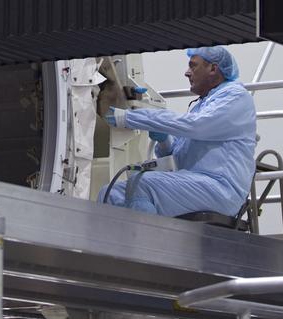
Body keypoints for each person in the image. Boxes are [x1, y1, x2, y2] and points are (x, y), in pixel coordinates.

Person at [99, 46, 256, 218]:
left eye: (193, 66)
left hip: (221, 189)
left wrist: (129, 117)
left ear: (213, 68)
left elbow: (197, 126)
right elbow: (177, 158)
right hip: (194, 182)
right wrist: (164, 140)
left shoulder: (235, 96)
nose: (187, 73)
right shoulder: (201, 106)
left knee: (142, 184)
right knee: (109, 193)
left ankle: (144, 242)